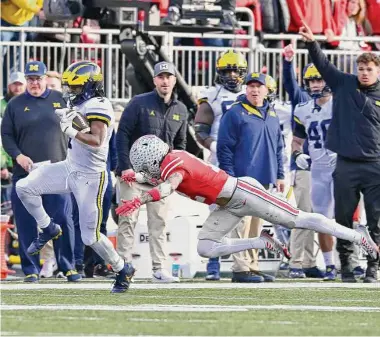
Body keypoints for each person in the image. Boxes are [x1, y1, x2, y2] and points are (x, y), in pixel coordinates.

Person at [116, 135, 378, 268]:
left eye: (145, 168)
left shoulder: (174, 166)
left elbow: (166, 188)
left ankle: (359, 236)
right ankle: (261, 241)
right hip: (227, 203)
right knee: (205, 247)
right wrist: (135, 174)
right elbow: (161, 177)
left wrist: (139, 199)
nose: (147, 173)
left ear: (153, 160)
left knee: (299, 219)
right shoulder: (171, 159)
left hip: (243, 193)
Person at [13, 61, 134, 293]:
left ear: (90, 86)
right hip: (70, 167)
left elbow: (97, 142)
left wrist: (70, 129)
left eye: (76, 87)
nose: (70, 91)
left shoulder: (100, 104)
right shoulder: (82, 103)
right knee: (24, 187)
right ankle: (48, 227)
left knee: (90, 237)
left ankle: (122, 268)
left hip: (91, 177)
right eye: (68, 87)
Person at [300, 20, 380, 282]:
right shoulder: (344, 83)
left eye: (369, 69)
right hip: (345, 164)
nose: (364, 73)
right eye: (360, 68)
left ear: (377, 70)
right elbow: (323, 65)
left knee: (376, 221)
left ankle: (373, 267)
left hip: (375, 165)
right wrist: (312, 43)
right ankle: (346, 266)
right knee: (342, 220)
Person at [1, 61, 78, 283]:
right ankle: (31, 269)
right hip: (25, 172)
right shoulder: (15, 105)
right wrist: (18, 156)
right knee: (26, 222)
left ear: (45, 78)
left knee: (62, 218)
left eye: (38, 78)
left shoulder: (60, 99)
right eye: (31, 79)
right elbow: (6, 136)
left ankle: (67, 265)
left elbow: (77, 129)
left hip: (56, 170)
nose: (34, 83)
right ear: (26, 80)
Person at [116, 61, 188, 283]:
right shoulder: (138, 103)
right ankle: (123, 267)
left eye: (169, 77)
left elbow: (181, 146)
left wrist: (173, 175)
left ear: (174, 80)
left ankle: (159, 269)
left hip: (160, 178)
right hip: (133, 175)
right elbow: (122, 135)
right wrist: (125, 166)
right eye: (161, 77)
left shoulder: (181, 109)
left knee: (159, 223)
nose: (165, 81)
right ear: (155, 80)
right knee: (128, 219)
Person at [217, 73, 284, 283]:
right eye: (251, 86)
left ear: (267, 90)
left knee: (256, 225)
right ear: (245, 89)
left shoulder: (271, 113)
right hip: (242, 178)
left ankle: (253, 266)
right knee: (241, 224)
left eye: (259, 86)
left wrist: (280, 174)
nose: (254, 90)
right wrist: (229, 175)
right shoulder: (235, 113)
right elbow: (224, 146)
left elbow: (279, 147)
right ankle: (240, 267)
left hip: (264, 178)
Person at [194, 49, 247, 281]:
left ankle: (243, 265)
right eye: (227, 70)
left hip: (245, 160)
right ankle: (213, 262)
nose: (232, 75)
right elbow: (200, 128)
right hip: (219, 161)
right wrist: (212, 144)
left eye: (236, 70)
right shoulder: (212, 95)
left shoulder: (251, 93)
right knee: (216, 210)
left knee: (243, 213)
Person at [291, 64, 337, 281]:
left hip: (342, 167)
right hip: (317, 169)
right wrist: (297, 154)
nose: (316, 85)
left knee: (351, 219)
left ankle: (353, 263)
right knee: (321, 220)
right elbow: (297, 140)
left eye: (319, 80)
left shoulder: (342, 104)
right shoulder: (303, 109)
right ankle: (330, 265)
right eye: (311, 81)